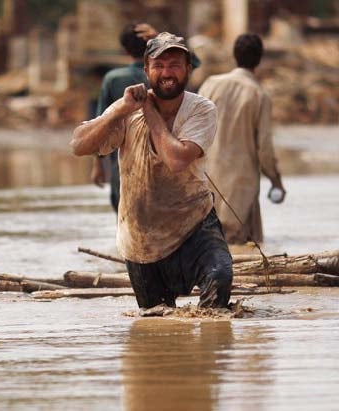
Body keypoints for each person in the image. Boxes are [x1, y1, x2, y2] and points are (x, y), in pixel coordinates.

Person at [71, 32, 233, 309]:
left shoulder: (201, 109)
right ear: (146, 70)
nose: (167, 73)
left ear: (188, 70)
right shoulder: (127, 110)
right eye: (159, 66)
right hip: (141, 240)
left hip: (193, 225)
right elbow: (78, 144)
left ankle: (210, 349)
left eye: (175, 65)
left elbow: (177, 160)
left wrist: (150, 112)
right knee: (157, 318)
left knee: (220, 278)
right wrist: (120, 109)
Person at [199, 33, 286, 244]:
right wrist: (276, 180)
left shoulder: (210, 84)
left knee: (208, 243)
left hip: (206, 178)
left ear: (234, 55)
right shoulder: (258, 94)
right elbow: (264, 148)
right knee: (240, 247)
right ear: (259, 59)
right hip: (241, 184)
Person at [91, 23, 157, 213]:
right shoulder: (161, 75)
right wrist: (160, 38)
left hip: (122, 154)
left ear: (124, 49)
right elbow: (194, 63)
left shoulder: (113, 79)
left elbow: (102, 122)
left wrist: (97, 164)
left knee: (124, 209)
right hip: (159, 150)